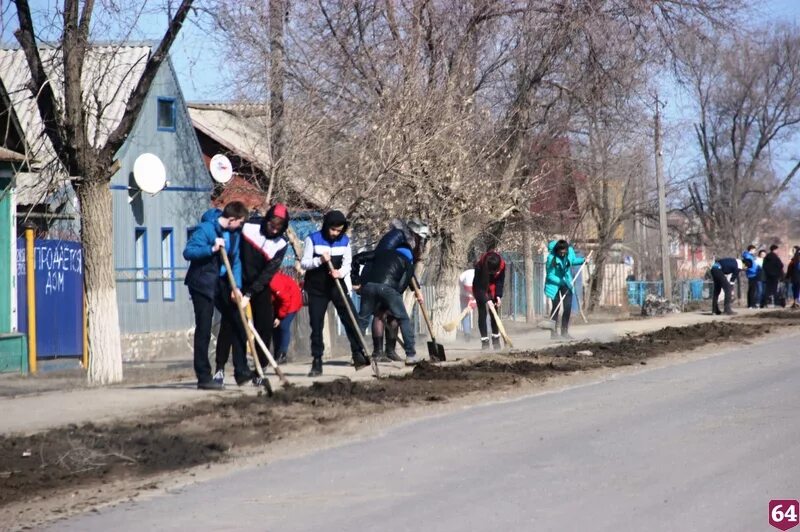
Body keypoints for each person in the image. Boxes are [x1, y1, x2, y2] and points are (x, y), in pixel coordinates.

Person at [213, 204, 289, 385]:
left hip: (258, 286)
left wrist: (249, 294)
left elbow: (268, 272)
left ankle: (260, 370)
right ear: (267, 220)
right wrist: (236, 287)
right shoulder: (249, 226)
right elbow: (230, 243)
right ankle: (219, 369)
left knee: (264, 325)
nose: (274, 230)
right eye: (272, 225)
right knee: (230, 324)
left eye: (279, 227)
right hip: (235, 281)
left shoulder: (281, 244)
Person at [183, 201, 251, 390]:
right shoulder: (205, 230)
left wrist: (236, 286)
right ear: (231, 219)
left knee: (239, 319)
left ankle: (241, 369)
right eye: (240, 222)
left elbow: (235, 261)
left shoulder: (235, 234)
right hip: (202, 283)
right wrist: (211, 249)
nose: (241, 225)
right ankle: (204, 376)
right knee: (204, 328)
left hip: (222, 282)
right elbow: (188, 252)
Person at [351, 218, 430, 362]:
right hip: (380, 278)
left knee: (370, 319)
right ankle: (391, 353)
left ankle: (380, 352)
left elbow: (408, 275)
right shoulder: (400, 242)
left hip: (374, 282)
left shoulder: (403, 245)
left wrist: (417, 290)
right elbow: (405, 277)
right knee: (386, 315)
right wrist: (393, 295)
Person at [301, 210, 368, 377]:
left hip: (336, 286)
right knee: (316, 325)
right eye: (333, 230)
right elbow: (304, 263)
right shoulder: (313, 239)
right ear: (326, 226)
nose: (335, 233)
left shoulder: (345, 241)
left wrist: (341, 272)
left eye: (339, 230)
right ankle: (317, 361)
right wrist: (320, 260)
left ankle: (358, 353)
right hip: (317, 289)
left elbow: (348, 263)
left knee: (350, 318)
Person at [356, 245, 423, 364]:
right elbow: (402, 285)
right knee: (403, 319)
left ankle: (358, 354)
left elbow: (360, 260)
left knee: (363, 320)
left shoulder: (382, 253)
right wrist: (393, 300)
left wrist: (355, 280)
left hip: (368, 287)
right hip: (388, 289)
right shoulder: (406, 261)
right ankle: (411, 355)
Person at [544, 239, 585, 340]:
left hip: (566, 281)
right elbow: (550, 275)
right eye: (560, 252)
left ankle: (564, 332)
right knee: (556, 307)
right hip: (554, 284)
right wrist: (561, 281)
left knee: (567, 307)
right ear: (557, 250)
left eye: (564, 252)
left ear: (567, 249)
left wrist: (583, 260)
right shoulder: (551, 258)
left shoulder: (569, 252)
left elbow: (573, 261)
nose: (562, 254)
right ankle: (553, 334)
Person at [472, 250, 506, 349]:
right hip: (480, 288)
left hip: (493, 288)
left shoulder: (502, 265)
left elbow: (500, 281)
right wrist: (486, 299)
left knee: (495, 313)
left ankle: (496, 340)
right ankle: (485, 341)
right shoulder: (479, 266)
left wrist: (498, 296)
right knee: (482, 313)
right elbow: (479, 286)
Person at [270, 270, 303, 364]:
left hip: (291, 301)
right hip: (278, 303)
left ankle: (282, 354)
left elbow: (286, 300)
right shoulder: (262, 281)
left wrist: (279, 317)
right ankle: (277, 354)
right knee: (274, 327)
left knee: (283, 325)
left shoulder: (274, 281)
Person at [458, 267, 476, 341]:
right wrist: (468, 300)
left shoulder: (480, 277)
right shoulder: (461, 278)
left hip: (478, 292)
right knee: (465, 312)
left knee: (485, 311)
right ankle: (467, 334)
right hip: (464, 295)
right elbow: (463, 292)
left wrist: (474, 302)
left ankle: (488, 332)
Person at [742, 245, 759, 309]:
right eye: (754, 250)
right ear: (751, 249)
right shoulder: (748, 256)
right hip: (752, 274)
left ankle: (751, 304)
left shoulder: (750, 256)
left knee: (752, 289)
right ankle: (751, 304)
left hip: (753, 273)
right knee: (752, 289)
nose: (755, 251)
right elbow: (748, 265)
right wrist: (754, 271)